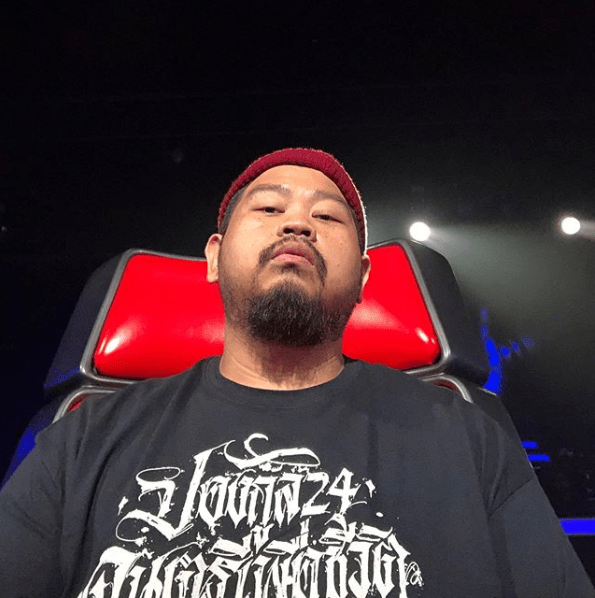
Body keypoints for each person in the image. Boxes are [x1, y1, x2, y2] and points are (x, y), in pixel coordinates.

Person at [0, 148, 592, 598]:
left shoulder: (467, 435)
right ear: (214, 257)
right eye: (269, 208)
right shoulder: (82, 439)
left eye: (327, 217)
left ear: (363, 278)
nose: (298, 225)